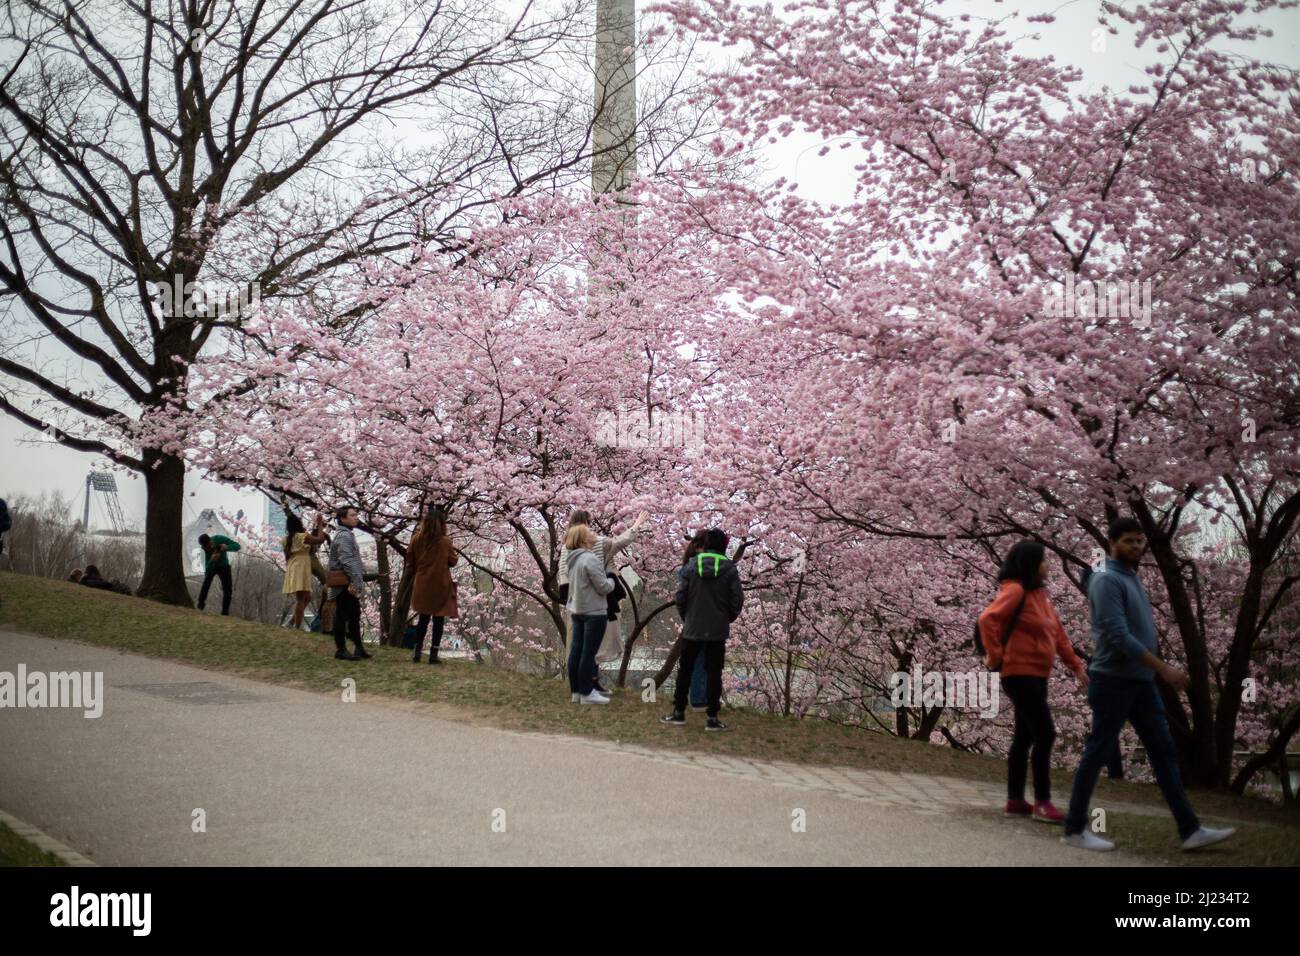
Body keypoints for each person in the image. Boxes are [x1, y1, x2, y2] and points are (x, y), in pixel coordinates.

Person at [1062, 517, 1235, 852]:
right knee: (1098, 752)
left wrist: (1153, 672)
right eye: (1129, 541)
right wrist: (1164, 670)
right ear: (1112, 543)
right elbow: (1119, 636)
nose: (1137, 547)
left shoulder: (1130, 577)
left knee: (1164, 752)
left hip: (1139, 683)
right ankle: (1074, 828)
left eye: (1140, 541)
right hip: (1113, 682)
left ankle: (1190, 830)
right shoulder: (1107, 581)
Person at [978, 539, 1088, 824]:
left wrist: (1076, 667)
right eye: (1042, 560)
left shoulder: (1040, 597)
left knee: (1024, 737)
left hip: (1038, 675)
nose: (1047, 565)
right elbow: (987, 619)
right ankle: (1043, 802)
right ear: (1030, 563)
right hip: (1018, 673)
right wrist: (996, 656)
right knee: (1046, 734)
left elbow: (1059, 636)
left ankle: (1015, 801)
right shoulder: (1015, 591)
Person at [558, 508, 648, 693]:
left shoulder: (566, 547)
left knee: (577, 644)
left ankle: (577, 687)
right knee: (592, 645)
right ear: (587, 524)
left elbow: (563, 577)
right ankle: (589, 685)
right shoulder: (598, 544)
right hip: (595, 602)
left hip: (575, 602)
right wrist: (637, 524)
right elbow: (620, 541)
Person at [662, 528, 743, 731]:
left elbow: (680, 597)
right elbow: (736, 600)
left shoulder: (691, 566)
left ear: (706, 544)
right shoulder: (730, 569)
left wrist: (687, 617)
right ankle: (712, 718)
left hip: (693, 627)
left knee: (686, 670)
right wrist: (727, 618)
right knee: (714, 672)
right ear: (724, 546)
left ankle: (679, 713)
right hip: (717, 629)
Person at [564, 524, 616, 704]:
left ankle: (576, 692)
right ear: (584, 540)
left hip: (577, 609)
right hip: (594, 611)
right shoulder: (590, 559)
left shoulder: (573, 559)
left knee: (576, 651)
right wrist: (612, 580)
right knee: (588, 653)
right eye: (590, 532)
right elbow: (603, 587)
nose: (594, 534)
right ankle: (587, 693)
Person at [408, 506, 459, 664]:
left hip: (422, 583)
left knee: (423, 618)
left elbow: (410, 559)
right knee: (438, 620)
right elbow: (453, 561)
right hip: (440, 584)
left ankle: (417, 652)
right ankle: (433, 654)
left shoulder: (416, 539)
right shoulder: (445, 542)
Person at [328, 506, 371, 662]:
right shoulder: (344, 537)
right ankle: (341, 649)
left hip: (349, 581)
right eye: (352, 515)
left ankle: (358, 648)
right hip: (345, 583)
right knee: (342, 615)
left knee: (354, 614)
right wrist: (354, 582)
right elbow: (346, 561)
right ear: (342, 518)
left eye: (356, 515)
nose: (356, 517)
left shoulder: (347, 535)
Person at [679, 530, 711, 712]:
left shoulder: (686, 569)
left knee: (698, 660)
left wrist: (686, 616)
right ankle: (702, 698)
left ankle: (699, 699)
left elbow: (681, 598)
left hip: (693, 621)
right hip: (713, 621)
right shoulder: (718, 568)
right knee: (708, 660)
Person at [282, 511, 327, 629]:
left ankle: (290, 623)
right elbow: (320, 539)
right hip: (301, 566)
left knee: (306, 597)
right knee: (301, 598)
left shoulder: (286, 540)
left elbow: (287, 556)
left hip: (293, 566)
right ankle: (297, 626)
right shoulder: (302, 536)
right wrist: (320, 525)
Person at [196, 532, 241, 614]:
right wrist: (212, 560)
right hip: (212, 566)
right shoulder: (203, 552)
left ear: (211, 540)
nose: (211, 546)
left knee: (228, 589)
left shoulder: (219, 538)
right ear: (203, 547)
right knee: (206, 583)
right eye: (208, 547)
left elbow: (238, 546)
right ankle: (200, 604)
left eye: (211, 544)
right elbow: (207, 569)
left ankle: (225, 612)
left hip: (224, 566)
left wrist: (227, 547)